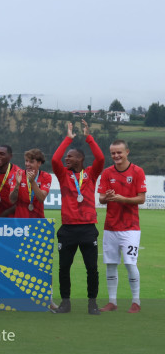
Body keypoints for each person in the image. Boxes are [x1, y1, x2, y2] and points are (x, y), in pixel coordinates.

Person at [50, 120, 105, 315]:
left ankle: (92, 303)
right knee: (64, 268)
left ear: (80, 159)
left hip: (88, 228)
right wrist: (68, 138)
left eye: (71, 157)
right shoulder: (63, 175)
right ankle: (66, 303)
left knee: (92, 268)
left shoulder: (91, 173)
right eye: (67, 157)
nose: (66, 159)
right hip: (68, 229)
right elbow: (55, 160)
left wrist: (89, 137)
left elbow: (100, 158)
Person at [97, 139, 146, 313]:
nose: (116, 156)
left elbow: (141, 198)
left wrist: (122, 199)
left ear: (127, 152)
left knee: (130, 264)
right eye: (113, 153)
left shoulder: (137, 171)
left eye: (119, 152)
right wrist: (108, 197)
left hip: (130, 228)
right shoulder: (106, 173)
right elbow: (101, 198)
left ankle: (136, 301)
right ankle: (112, 302)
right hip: (110, 226)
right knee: (110, 264)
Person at [9, 149, 51, 219]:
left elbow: (41, 199)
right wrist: (17, 185)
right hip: (20, 221)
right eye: (26, 161)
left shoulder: (46, 176)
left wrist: (32, 182)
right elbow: (12, 200)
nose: (27, 164)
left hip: (38, 221)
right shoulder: (18, 174)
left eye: (31, 162)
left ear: (39, 163)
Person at [0, 144, 21, 217]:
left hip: (10, 219)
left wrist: (5, 213)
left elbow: (22, 202)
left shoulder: (18, 173)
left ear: (10, 156)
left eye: (2, 154)